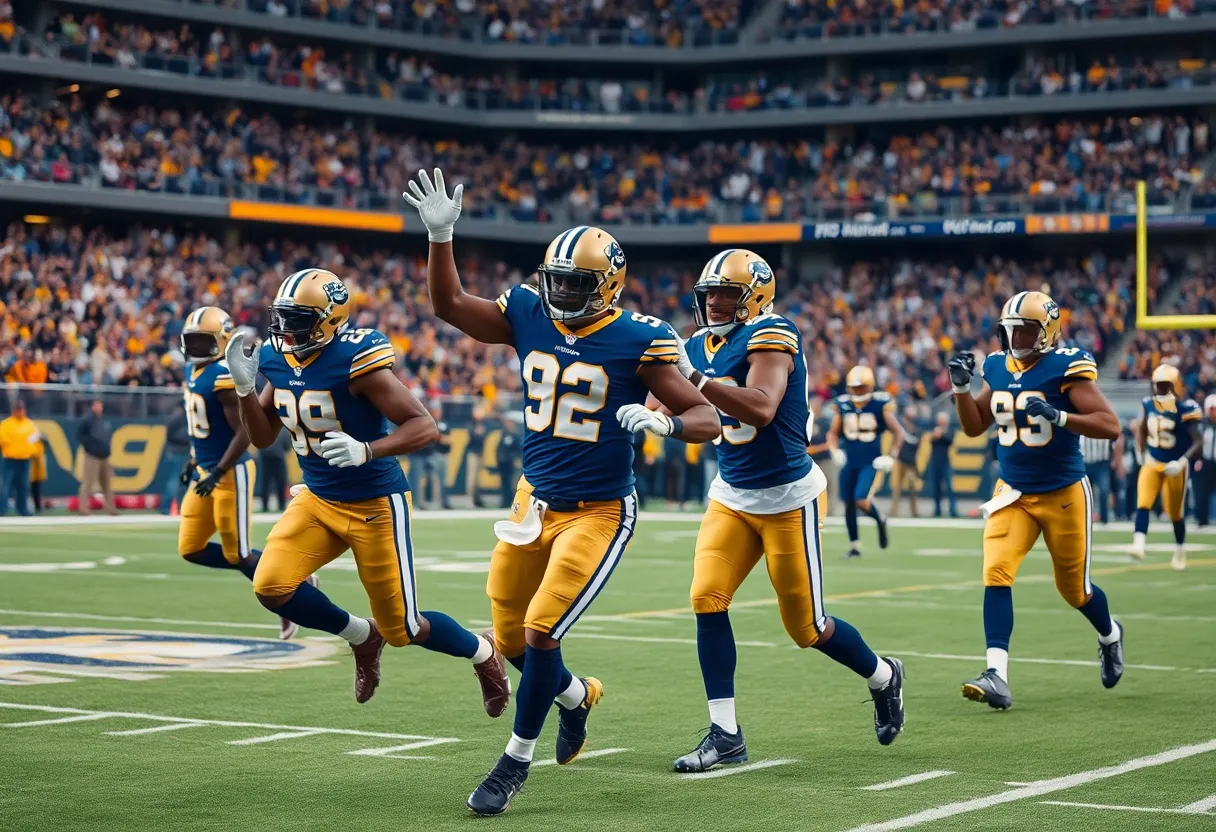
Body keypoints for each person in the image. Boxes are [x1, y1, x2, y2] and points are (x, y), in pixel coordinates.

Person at [404, 169, 720, 816]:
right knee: (511, 637)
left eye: (576, 283)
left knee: (542, 629)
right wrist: (441, 237)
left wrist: (664, 420)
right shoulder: (527, 310)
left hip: (600, 512)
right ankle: (575, 698)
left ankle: (515, 760)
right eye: (556, 280)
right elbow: (449, 306)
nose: (561, 292)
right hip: (533, 501)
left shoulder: (641, 337)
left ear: (607, 284)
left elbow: (709, 419)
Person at [224, 268, 510, 713]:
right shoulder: (279, 360)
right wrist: (245, 389)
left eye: (297, 319)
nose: (285, 329)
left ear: (328, 321)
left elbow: (425, 427)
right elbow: (262, 437)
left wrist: (367, 450)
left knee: (405, 629)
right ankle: (361, 634)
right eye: (281, 317)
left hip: (374, 502)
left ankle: (483, 651)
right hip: (319, 499)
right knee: (271, 586)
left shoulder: (355, 361)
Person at [662, 248, 904, 773]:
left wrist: (697, 381)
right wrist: (648, 412)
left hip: (787, 498)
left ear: (755, 297)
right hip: (732, 494)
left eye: (727, 293)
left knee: (807, 628)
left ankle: (883, 675)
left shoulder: (774, 334)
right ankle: (725, 734)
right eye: (711, 293)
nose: (715, 302)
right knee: (706, 597)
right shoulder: (698, 344)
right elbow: (670, 399)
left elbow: (762, 406)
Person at [949, 290, 1124, 711]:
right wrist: (960, 388)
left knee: (1074, 590)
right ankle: (997, 675)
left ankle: (1109, 634)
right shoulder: (995, 365)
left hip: (1063, 493)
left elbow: (1110, 425)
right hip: (1013, 493)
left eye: (1024, 330)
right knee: (996, 571)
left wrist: (1061, 416)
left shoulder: (1065, 366)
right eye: (1008, 330)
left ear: (1046, 331)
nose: (1015, 339)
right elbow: (975, 427)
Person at [177, 308, 304, 637]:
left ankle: (289, 596)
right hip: (205, 471)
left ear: (221, 340)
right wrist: (195, 461)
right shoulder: (194, 370)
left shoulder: (222, 374)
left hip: (230, 472)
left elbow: (245, 431)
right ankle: (292, 583)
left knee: (239, 553)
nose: (194, 347)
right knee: (191, 548)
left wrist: (218, 470)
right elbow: (206, 430)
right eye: (191, 340)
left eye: (202, 340)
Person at [1131, 364, 1203, 570]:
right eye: (1158, 385)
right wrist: (1141, 451)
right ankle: (1138, 544)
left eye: (1165, 386)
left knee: (1175, 513)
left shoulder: (1186, 408)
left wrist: (1182, 462)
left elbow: (1198, 441)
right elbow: (1143, 427)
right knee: (1143, 501)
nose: (1160, 390)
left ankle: (1180, 550)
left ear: (1176, 386)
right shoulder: (1148, 403)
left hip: (1175, 465)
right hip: (1153, 460)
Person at [826, 366, 903, 557]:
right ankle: (855, 546)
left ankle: (880, 519)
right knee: (848, 503)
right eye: (855, 387)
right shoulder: (843, 404)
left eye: (862, 387)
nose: (858, 391)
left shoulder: (880, 404)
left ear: (870, 386)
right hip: (849, 460)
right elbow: (833, 433)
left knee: (861, 499)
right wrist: (835, 451)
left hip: (870, 461)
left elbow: (899, 433)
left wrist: (891, 456)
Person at [0, 400, 40, 516]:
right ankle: (2, 510)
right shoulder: (6, 424)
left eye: (21, 409)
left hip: (24, 460)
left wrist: (30, 451)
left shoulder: (29, 424)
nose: (19, 411)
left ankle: (22, 510)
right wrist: (20, 444)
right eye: (17, 409)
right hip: (10, 460)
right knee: (6, 486)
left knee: (23, 486)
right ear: (13, 411)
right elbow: (3, 440)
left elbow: (35, 440)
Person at [76, 399, 115, 515]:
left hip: (104, 457)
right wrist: (91, 446)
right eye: (96, 405)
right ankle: (83, 508)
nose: (98, 408)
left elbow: (107, 437)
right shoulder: (87, 421)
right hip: (92, 456)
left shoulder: (104, 421)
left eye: (100, 406)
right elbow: (80, 436)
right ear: (92, 407)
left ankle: (111, 508)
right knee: (87, 483)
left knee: (107, 484)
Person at [1080, 431, 1119, 525]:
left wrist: (1116, 461)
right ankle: (1084, 518)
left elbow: (1117, 440)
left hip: (1101, 463)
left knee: (1104, 490)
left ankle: (1104, 518)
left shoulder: (1104, 421)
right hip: (1084, 462)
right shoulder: (1081, 420)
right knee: (1083, 492)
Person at [889, 405, 921, 518]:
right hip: (901, 461)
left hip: (911, 463)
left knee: (912, 489)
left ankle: (914, 512)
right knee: (897, 488)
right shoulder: (901, 431)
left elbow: (914, 443)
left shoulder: (916, 432)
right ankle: (894, 511)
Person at [162, 408, 192, 515]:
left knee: (183, 483)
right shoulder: (179, 420)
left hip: (187, 453)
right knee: (174, 482)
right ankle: (166, 508)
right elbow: (171, 436)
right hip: (179, 453)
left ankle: (180, 507)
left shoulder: (187, 419)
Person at [927, 412, 957, 518]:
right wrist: (935, 435)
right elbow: (930, 440)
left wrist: (941, 434)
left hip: (945, 462)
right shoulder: (934, 429)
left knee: (949, 488)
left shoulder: (949, 430)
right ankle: (937, 510)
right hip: (935, 462)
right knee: (936, 488)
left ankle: (953, 510)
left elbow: (950, 440)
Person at [259, 427, 292, 513]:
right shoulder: (284, 429)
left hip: (266, 457)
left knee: (266, 482)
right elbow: (288, 446)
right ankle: (281, 505)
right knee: (280, 482)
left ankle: (265, 506)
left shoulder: (263, 427)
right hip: (279, 457)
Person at [1195, 395, 1216, 526]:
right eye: (1211, 409)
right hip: (1205, 461)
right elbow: (1197, 444)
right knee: (1202, 492)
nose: (1212, 412)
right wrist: (1198, 459)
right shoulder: (1202, 425)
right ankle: (1202, 519)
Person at [496, 413, 521, 508]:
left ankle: (512, 501)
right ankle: (505, 501)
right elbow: (499, 449)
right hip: (503, 463)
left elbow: (518, 449)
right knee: (504, 482)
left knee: (512, 483)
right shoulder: (503, 435)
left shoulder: (515, 436)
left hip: (511, 462)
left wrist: (516, 459)